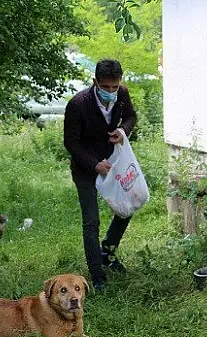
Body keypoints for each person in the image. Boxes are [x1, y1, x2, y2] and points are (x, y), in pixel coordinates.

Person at [63, 58, 137, 290]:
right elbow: (71, 143)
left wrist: (121, 130)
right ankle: (97, 277)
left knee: (127, 207)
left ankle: (108, 253)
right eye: (105, 87)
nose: (111, 92)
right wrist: (94, 165)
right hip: (86, 168)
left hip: (114, 162)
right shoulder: (78, 104)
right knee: (91, 222)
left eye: (115, 87)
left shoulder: (122, 93)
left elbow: (131, 117)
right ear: (95, 82)